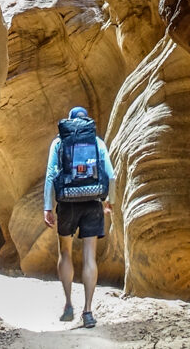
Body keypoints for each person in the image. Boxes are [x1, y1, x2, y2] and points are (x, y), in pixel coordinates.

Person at [43, 106, 115, 328]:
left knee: (65, 252)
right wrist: (108, 201)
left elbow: (50, 175)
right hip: (93, 202)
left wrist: (48, 206)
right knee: (89, 257)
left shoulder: (59, 142)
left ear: (70, 120)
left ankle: (68, 305)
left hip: (66, 203)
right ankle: (88, 311)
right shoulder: (96, 141)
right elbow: (111, 175)